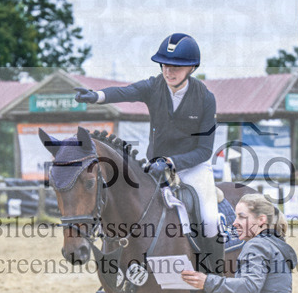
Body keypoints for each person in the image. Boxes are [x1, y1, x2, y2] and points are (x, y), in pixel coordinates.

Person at [74, 33, 222, 273]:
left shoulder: (206, 98)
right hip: (154, 166)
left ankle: (214, 281)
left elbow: (204, 150)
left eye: (176, 67)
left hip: (193, 167)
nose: (168, 71)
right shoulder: (154, 86)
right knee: (123, 211)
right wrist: (96, 96)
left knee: (211, 221)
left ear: (191, 68)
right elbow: (126, 92)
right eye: (165, 65)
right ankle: (115, 275)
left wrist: (172, 162)